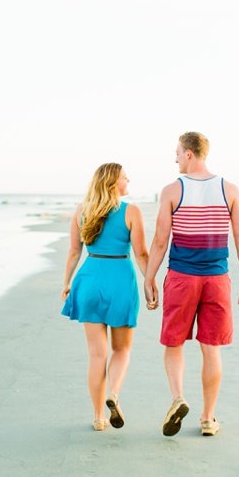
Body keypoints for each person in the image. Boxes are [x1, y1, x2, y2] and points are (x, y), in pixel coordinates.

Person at [143, 132, 239, 437]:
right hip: (217, 278)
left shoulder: (171, 191)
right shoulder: (229, 190)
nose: (175, 157)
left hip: (181, 277)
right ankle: (207, 418)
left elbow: (160, 240)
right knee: (211, 349)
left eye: (177, 152)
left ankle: (178, 397)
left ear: (190, 154)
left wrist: (149, 277)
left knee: (174, 344)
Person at [61, 162, 154, 431]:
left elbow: (73, 253)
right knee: (121, 348)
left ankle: (98, 417)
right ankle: (113, 393)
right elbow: (142, 254)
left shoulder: (81, 211)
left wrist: (66, 283)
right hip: (120, 281)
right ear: (114, 183)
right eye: (125, 178)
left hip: (89, 280)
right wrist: (150, 284)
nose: (129, 181)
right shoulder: (131, 212)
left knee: (96, 355)